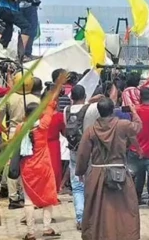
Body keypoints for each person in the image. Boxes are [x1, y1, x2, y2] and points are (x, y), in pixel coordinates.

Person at [75, 97, 142, 240]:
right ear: (113, 110)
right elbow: (138, 126)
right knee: (124, 207)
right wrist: (133, 112)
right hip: (120, 173)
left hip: (97, 173)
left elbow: (82, 154)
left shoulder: (90, 130)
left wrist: (80, 172)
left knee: (97, 208)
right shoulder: (123, 125)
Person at [0, 73, 41, 209]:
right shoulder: (36, 99)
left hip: (13, 131)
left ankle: (13, 196)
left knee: (12, 165)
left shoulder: (9, 97)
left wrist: (4, 128)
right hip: (31, 132)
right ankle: (27, 192)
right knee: (28, 163)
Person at [18, 101, 60, 239]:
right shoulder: (43, 125)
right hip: (44, 167)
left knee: (28, 200)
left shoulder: (20, 128)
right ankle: (47, 228)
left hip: (27, 168)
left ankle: (30, 232)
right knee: (48, 196)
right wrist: (52, 94)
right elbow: (50, 108)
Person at [64, 85, 101, 230]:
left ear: (71, 97)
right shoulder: (91, 108)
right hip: (90, 150)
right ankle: (91, 216)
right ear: (85, 95)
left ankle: (80, 218)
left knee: (77, 186)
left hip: (73, 150)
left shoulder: (66, 110)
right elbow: (108, 102)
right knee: (90, 183)